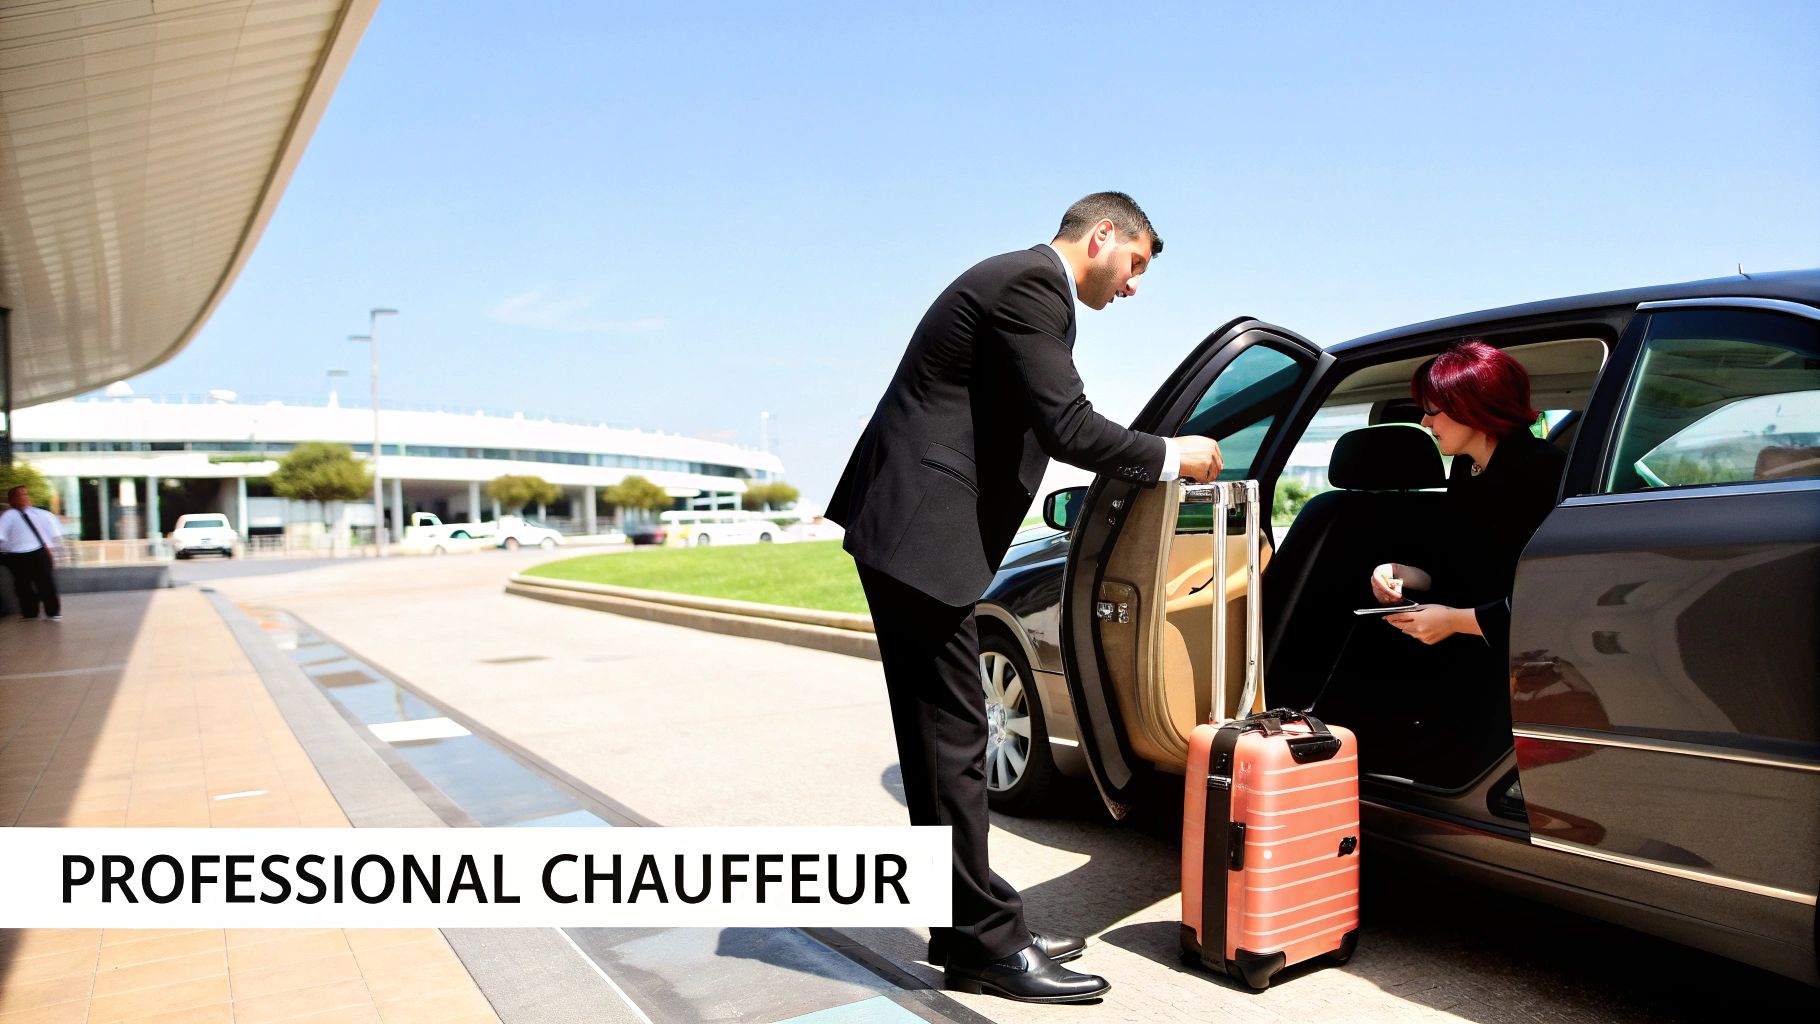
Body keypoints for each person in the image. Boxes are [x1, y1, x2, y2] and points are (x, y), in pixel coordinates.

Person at [826, 192, 1221, 1004]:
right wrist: (1174, 456)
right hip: (916, 535)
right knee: (953, 741)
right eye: (1136, 263)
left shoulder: (1018, 287)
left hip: (909, 532)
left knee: (944, 744)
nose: (1134, 285)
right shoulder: (1029, 286)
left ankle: (966, 928)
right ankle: (984, 944)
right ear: (1103, 233)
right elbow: (1069, 426)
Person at [1369, 339, 1567, 656]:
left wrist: (1455, 621)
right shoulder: (1467, 467)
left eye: (1432, 409)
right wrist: (1398, 574)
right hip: (1473, 644)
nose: (1425, 421)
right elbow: (1458, 566)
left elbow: (1551, 595)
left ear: (1472, 406)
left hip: (1525, 652)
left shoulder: (1543, 471)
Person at [1, 485, 65, 621]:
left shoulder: (38, 514)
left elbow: (49, 533)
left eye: (25, 494)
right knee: (23, 585)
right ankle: (30, 612)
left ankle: (53, 612)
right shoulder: (8, 516)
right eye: (20, 495)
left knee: (45, 582)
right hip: (17, 554)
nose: (24, 498)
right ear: (12, 500)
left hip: (38, 551)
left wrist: (50, 549)